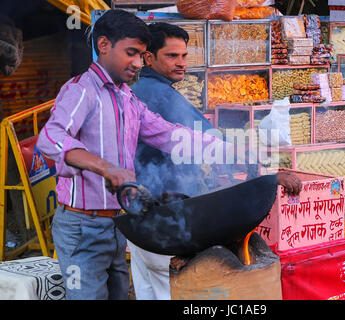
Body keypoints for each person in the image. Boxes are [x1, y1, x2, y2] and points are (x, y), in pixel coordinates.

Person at [36, 10, 229, 300]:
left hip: (117, 224)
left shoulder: (126, 96)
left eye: (140, 54)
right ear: (103, 45)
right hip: (82, 227)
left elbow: (166, 133)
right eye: (131, 53)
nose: (138, 63)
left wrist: (231, 148)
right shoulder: (80, 90)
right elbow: (51, 138)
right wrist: (106, 168)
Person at [130, 22, 302, 300]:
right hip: (166, 216)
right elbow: (206, 139)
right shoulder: (158, 94)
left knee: (147, 288)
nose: (181, 63)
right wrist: (264, 172)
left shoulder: (138, 89)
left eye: (185, 56)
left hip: (138, 211)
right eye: (171, 56)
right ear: (148, 58)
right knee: (170, 289)